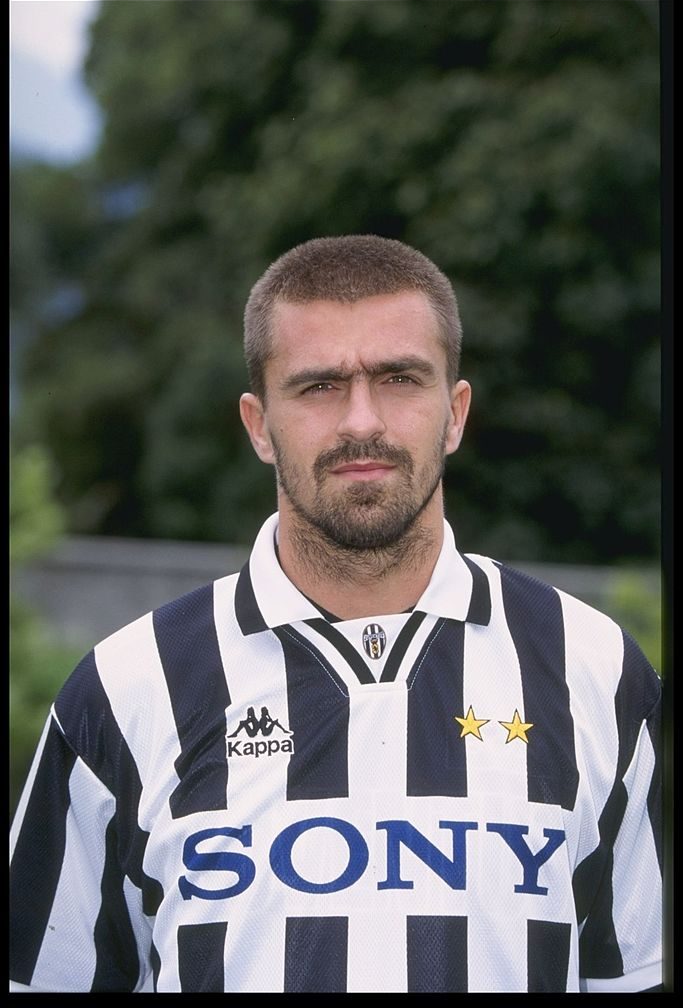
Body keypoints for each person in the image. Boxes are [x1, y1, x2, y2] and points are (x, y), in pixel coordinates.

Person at [9, 235, 662, 993]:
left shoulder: (593, 669)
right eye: (318, 386)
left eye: (398, 378)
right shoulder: (125, 690)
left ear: (454, 413)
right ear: (259, 425)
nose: (361, 421)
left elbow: (632, 974)